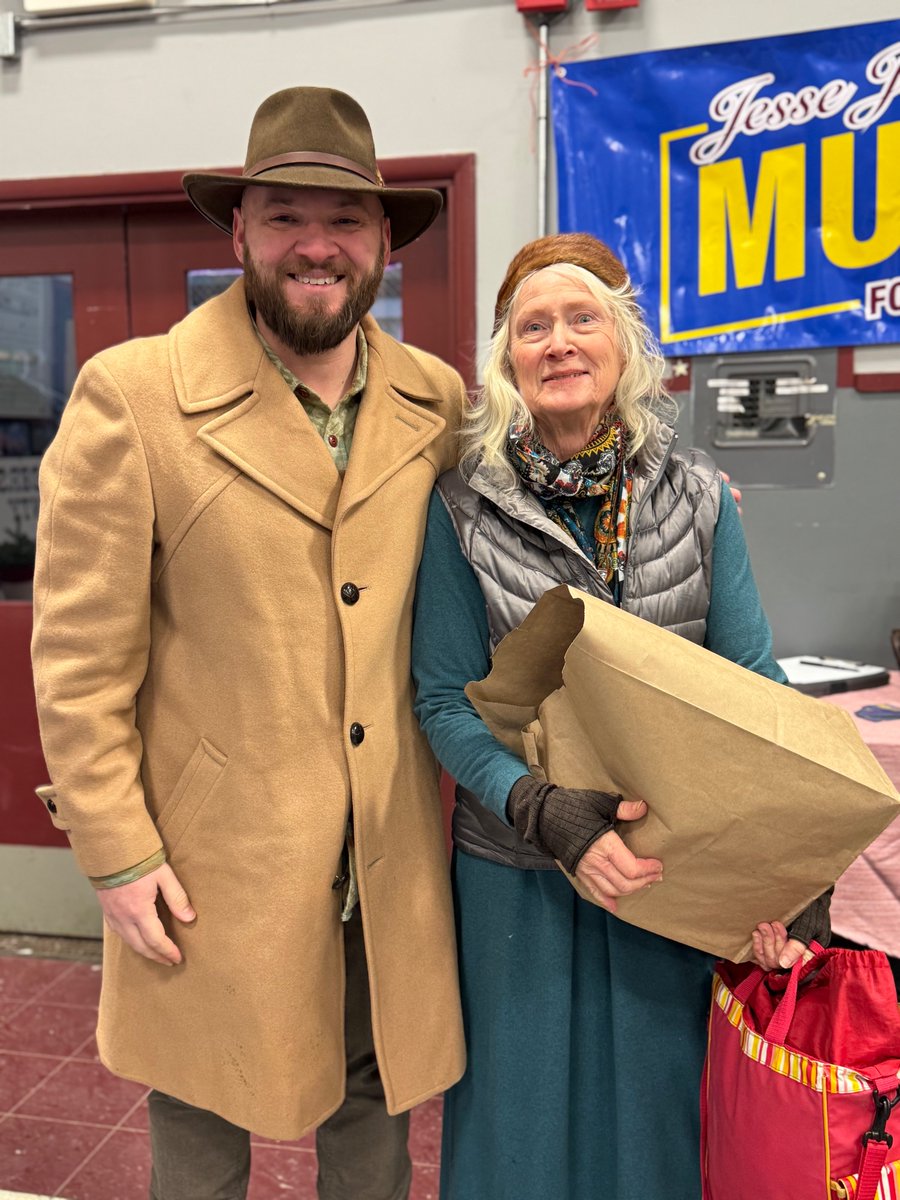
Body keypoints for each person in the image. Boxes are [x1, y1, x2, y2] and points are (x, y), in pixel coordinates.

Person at [30, 86, 466, 1200]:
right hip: (211, 856)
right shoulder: (134, 398)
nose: (316, 246)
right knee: (200, 1116)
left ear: (382, 242)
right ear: (238, 233)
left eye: (346, 221)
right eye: (283, 216)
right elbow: (80, 663)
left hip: (388, 847)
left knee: (375, 1108)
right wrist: (117, 854)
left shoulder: (435, 400)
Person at [410, 233, 831, 1200]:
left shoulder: (699, 502)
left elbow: (755, 688)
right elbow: (441, 699)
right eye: (533, 326)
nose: (558, 342)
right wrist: (545, 810)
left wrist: (794, 867)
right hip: (518, 875)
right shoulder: (461, 509)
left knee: (658, 1131)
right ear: (507, 360)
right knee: (519, 1137)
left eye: (582, 318)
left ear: (625, 346)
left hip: (668, 871)